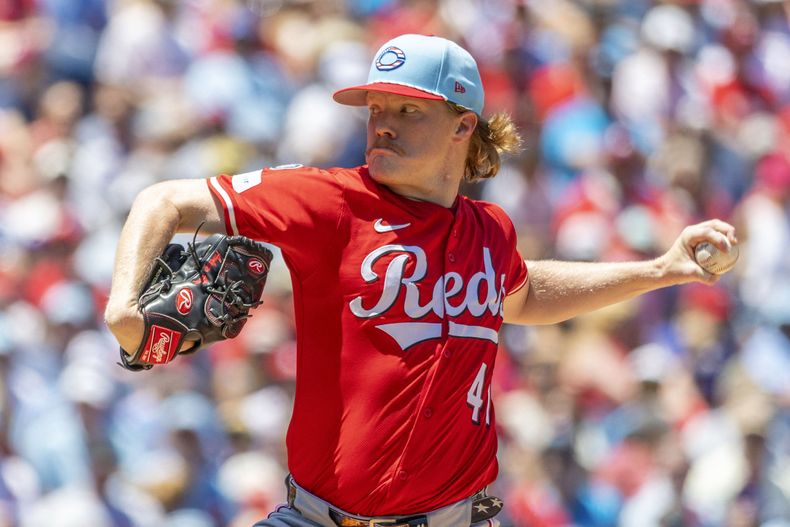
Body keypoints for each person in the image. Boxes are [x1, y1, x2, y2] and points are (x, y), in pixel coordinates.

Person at [104, 34, 738, 527]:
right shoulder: (330, 202)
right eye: (376, 107)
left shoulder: (490, 231)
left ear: (464, 125)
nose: (382, 123)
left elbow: (527, 295)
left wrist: (662, 270)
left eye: (408, 109)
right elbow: (164, 200)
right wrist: (124, 308)